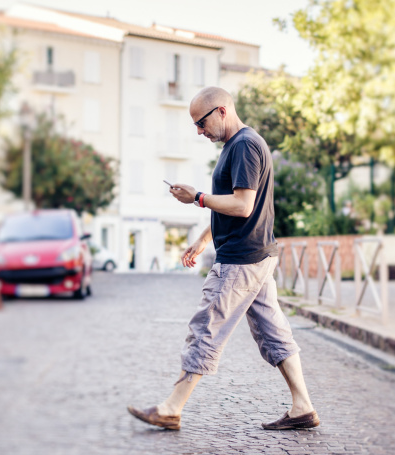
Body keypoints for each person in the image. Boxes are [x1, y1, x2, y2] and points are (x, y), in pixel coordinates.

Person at [127, 87, 319, 431]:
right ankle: (303, 405)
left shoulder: (245, 145)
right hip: (256, 255)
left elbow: (244, 206)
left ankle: (171, 407)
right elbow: (233, 204)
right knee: (273, 332)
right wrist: (204, 238)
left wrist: (197, 197)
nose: (199, 131)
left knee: (206, 328)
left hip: (241, 261)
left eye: (201, 123)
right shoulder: (239, 145)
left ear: (221, 111)